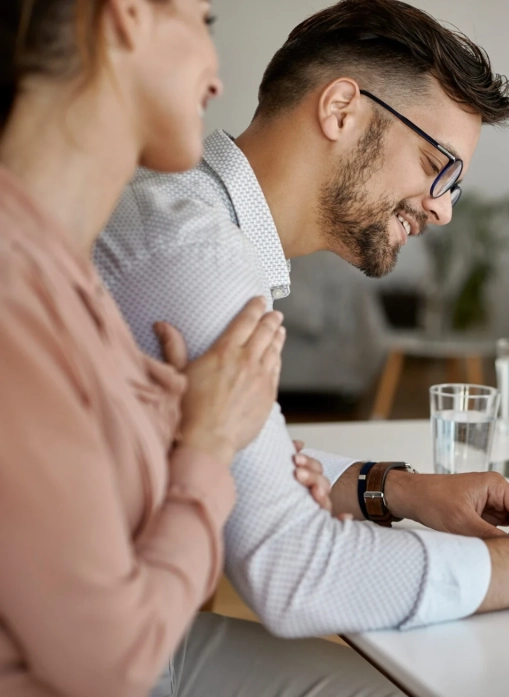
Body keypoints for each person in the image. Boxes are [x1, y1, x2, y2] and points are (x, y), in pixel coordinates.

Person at [94, 0, 509, 693]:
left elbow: (229, 447)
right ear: (342, 110)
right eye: (439, 168)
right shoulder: (197, 258)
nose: (443, 209)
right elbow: (291, 567)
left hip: (148, 635)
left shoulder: (195, 222)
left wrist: (394, 488)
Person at [0, 0, 293, 694]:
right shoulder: (17, 290)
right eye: (204, 21)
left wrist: (180, 421)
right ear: (127, 13)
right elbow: (112, 661)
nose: (218, 77)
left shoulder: (62, 267)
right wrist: (210, 447)